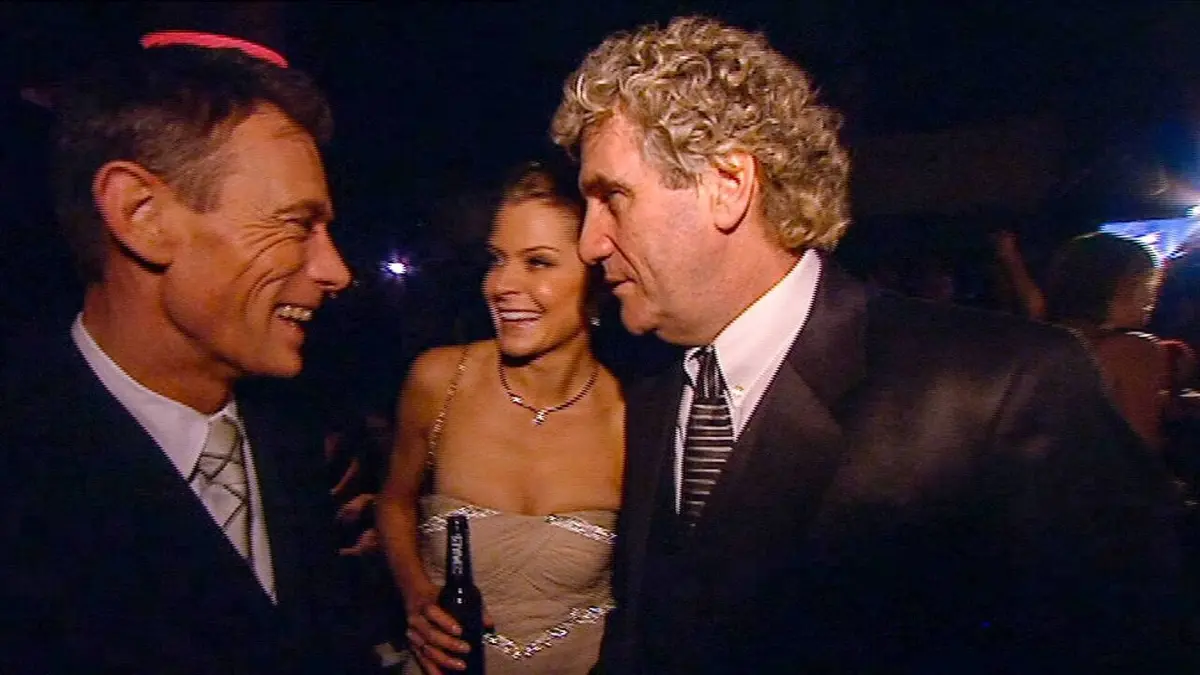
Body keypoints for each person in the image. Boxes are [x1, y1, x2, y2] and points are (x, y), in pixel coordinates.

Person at [550, 15, 1187, 673]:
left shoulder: (1003, 388)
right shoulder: (655, 380)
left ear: (728, 185)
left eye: (613, 197)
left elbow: (1130, 641)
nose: (590, 243)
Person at [0, 36, 375, 674]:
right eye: (295, 223)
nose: (334, 270)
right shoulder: (24, 464)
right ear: (142, 214)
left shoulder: (300, 440)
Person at [377, 160, 625, 674]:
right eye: (497, 259)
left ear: (597, 280)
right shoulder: (440, 381)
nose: (500, 285)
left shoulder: (632, 417)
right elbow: (395, 503)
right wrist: (416, 595)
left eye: (538, 262)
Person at [1044, 232, 1173, 451]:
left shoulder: (1041, 339)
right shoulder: (1134, 349)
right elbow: (1140, 443)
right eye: (1147, 281)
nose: (1152, 295)